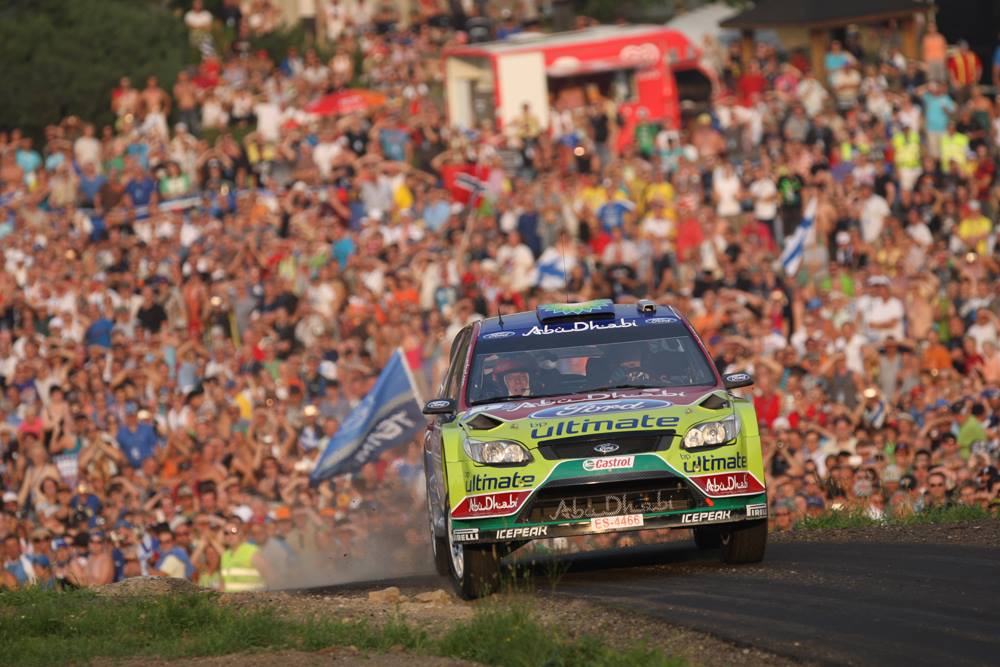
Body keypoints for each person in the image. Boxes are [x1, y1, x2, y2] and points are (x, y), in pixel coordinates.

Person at [219, 520, 268, 592]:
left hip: (252, 598)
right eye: (226, 533)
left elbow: (269, 576)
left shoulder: (252, 551)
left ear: (240, 533)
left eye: (234, 531)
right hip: (229, 599)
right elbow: (223, 583)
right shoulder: (225, 556)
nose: (230, 535)